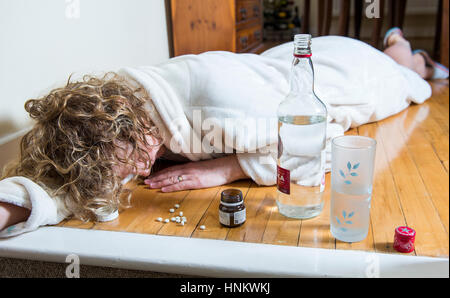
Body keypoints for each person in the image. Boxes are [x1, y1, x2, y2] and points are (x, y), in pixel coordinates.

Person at [0, 29, 446, 237]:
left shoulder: (221, 108)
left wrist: (227, 167)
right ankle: (396, 45)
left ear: (120, 129)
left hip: (350, 73)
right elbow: (80, 181)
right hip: (276, 64)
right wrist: (14, 205)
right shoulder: (127, 104)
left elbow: (318, 143)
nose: (131, 175)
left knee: (406, 71)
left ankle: (401, 45)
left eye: (123, 168)